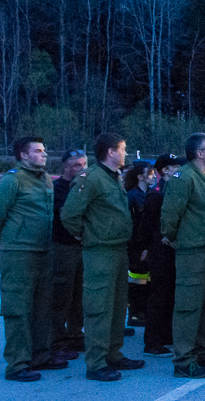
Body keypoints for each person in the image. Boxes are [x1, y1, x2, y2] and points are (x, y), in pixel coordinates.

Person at [61, 132, 145, 382]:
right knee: (98, 308)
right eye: (122, 149)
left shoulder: (114, 177)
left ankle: (113, 354)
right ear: (110, 152)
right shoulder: (91, 178)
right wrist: (86, 235)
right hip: (100, 251)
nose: (125, 153)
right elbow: (70, 214)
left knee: (118, 307)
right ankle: (96, 362)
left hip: (118, 249)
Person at [0, 136, 63, 381]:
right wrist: (0, 242)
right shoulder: (12, 180)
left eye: (44, 150)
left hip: (43, 250)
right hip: (18, 253)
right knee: (17, 309)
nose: (44, 155)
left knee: (42, 308)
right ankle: (17, 364)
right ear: (23, 155)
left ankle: (40, 355)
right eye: (38, 151)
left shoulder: (45, 179)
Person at [160, 133, 205, 379]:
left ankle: (202, 353)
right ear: (199, 153)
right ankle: (184, 360)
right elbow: (170, 214)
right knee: (188, 307)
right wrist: (172, 236)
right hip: (193, 252)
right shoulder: (184, 177)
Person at [140, 154, 182, 357]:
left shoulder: (171, 190)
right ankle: (152, 341)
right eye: (175, 167)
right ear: (165, 170)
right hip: (160, 251)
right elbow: (147, 227)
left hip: (171, 250)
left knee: (170, 294)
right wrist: (146, 248)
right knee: (158, 296)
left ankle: (166, 335)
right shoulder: (157, 194)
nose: (179, 171)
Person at [51, 148, 88, 356]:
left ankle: (75, 335)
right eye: (76, 165)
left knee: (79, 295)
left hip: (81, 247)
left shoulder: (85, 187)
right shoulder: (58, 188)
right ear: (66, 167)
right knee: (61, 296)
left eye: (84, 165)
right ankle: (57, 341)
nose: (81, 169)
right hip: (63, 247)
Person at [124, 161, 156, 328]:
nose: (153, 176)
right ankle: (135, 313)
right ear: (140, 177)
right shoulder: (132, 196)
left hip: (149, 244)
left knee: (147, 280)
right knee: (136, 279)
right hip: (136, 245)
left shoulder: (151, 194)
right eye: (149, 174)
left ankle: (143, 311)